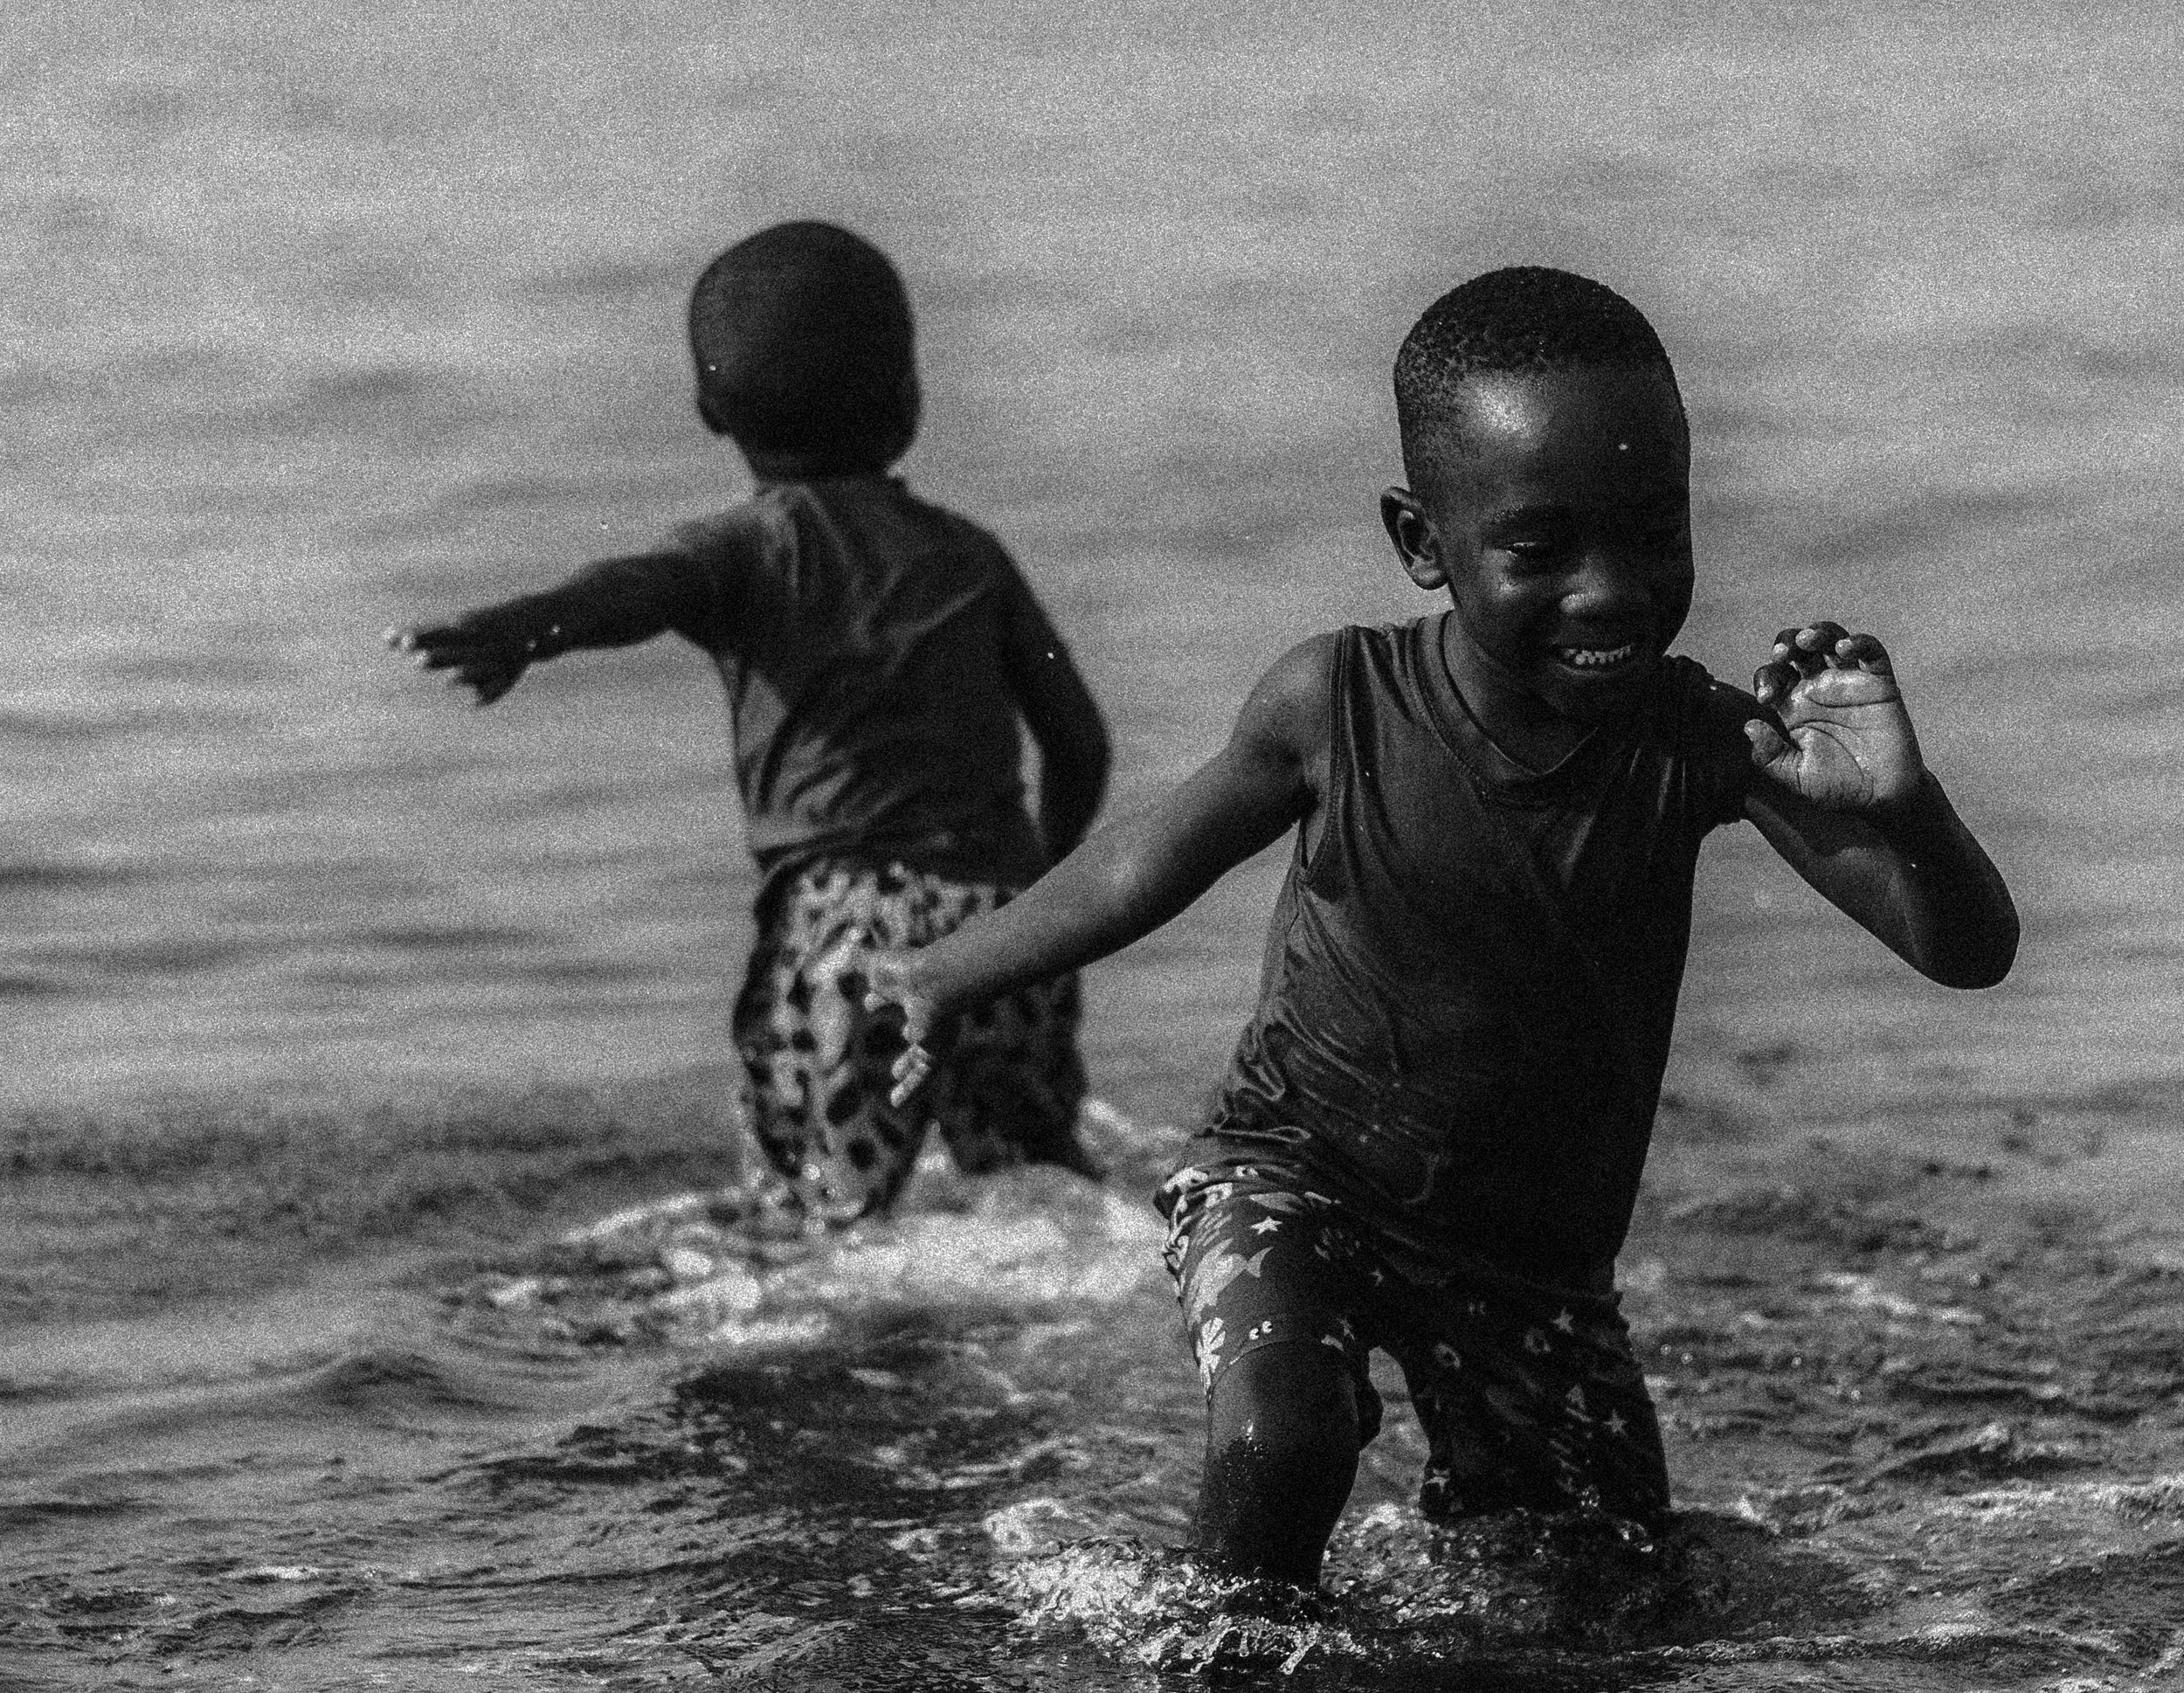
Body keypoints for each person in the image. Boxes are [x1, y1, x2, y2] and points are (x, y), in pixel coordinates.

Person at [862, 266, 2018, 1586]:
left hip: (1535, 1273)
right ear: (1424, 541)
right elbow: (1142, 865)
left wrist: (1906, 808)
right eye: (1540, 550)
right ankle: (1226, 1664)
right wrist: (952, 968)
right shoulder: (1338, 701)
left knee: (1602, 1585)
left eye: (1655, 535)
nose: (1611, 590)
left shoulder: (1704, 743)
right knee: (1281, 1437)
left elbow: (1965, 950)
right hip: (1294, 1175)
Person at [389, 220, 1111, 1224]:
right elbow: (1079, 743)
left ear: (706, 409)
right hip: (1001, 926)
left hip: (848, 939)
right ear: (909, 398)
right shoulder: (972, 557)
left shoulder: (744, 551)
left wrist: (526, 631)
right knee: (1039, 1185)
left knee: (814, 1217)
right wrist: (1047, 896)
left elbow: (636, 588)